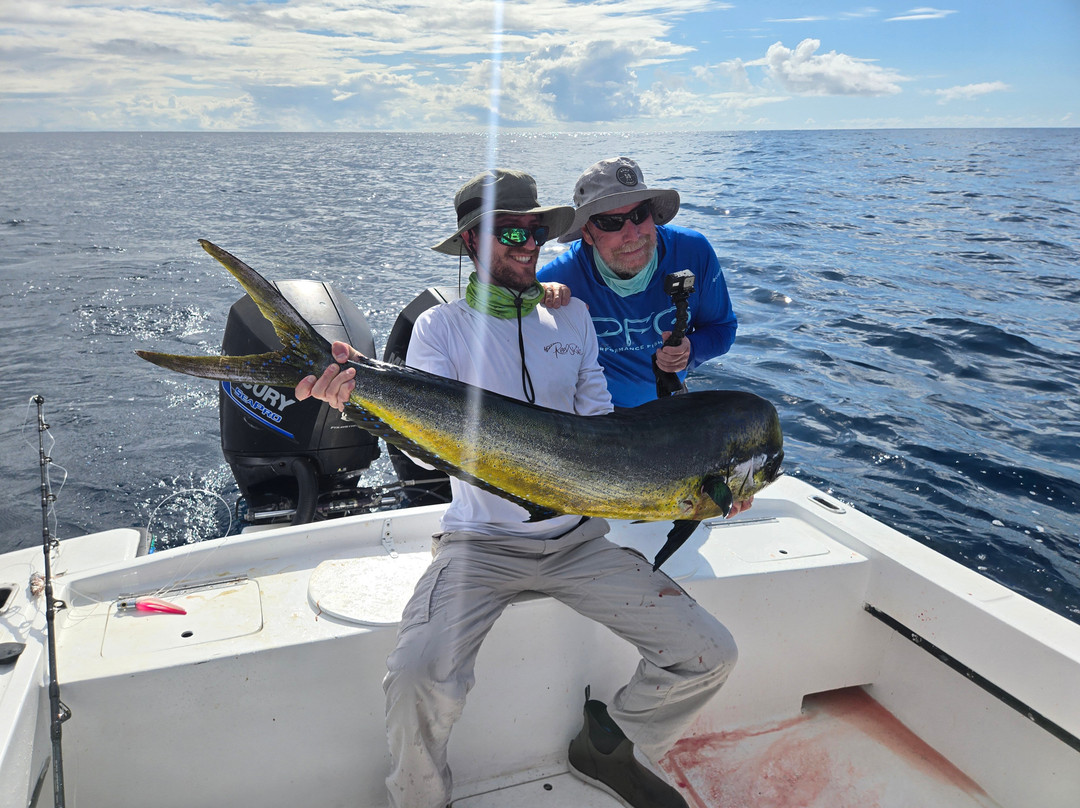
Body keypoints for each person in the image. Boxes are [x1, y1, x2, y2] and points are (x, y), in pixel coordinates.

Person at [295, 168, 738, 808]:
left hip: (578, 540)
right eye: (509, 231)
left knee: (709, 653)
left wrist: (699, 484)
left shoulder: (574, 316)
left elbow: (598, 432)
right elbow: (424, 442)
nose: (527, 241)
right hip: (480, 544)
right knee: (418, 675)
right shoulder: (440, 330)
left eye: (535, 229)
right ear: (472, 243)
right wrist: (353, 400)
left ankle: (609, 743)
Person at [538, 156, 738, 408]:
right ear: (587, 233)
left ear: (652, 214)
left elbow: (723, 328)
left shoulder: (694, 251)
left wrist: (691, 349)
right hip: (595, 416)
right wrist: (535, 301)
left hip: (670, 405)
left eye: (639, 214)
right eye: (611, 222)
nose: (632, 234)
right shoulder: (557, 278)